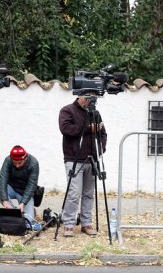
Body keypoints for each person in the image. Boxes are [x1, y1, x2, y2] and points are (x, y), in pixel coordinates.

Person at [58, 92, 107, 237]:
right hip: (74, 159)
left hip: (92, 158)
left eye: (93, 99)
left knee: (88, 194)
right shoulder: (67, 110)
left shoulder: (95, 113)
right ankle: (68, 224)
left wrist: (101, 148)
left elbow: (103, 133)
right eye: (89, 98)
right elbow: (66, 129)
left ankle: (86, 223)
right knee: (74, 193)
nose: (91, 102)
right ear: (80, 97)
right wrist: (87, 129)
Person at [0, 145, 39, 227]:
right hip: (12, 188)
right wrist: (5, 200)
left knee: (28, 223)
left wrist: (23, 203)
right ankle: (14, 212)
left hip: (25, 192)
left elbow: (31, 185)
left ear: (25, 158)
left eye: (19, 163)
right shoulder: (8, 160)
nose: (17, 165)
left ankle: (26, 210)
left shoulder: (33, 163)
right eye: (14, 163)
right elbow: (3, 180)